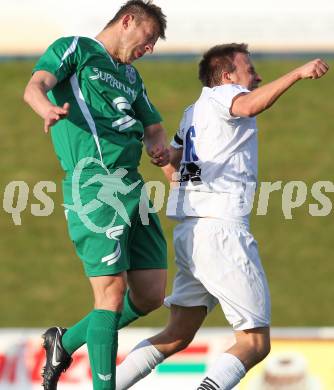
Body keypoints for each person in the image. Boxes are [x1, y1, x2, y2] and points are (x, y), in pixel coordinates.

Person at [115, 44, 329, 390]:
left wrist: (166, 157)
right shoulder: (225, 97)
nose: (256, 76)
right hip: (221, 229)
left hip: (192, 233)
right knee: (255, 343)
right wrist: (297, 73)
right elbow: (248, 104)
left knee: (177, 334)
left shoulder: (193, 113)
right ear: (227, 76)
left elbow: (177, 174)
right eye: (250, 69)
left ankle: (102, 386)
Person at [23, 1, 169, 389]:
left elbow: (153, 125)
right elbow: (35, 86)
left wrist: (158, 146)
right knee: (112, 293)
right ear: (127, 21)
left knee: (151, 293)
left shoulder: (132, 77)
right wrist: (46, 110)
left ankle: (64, 341)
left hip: (133, 185)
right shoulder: (77, 49)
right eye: (148, 38)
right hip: (94, 183)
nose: (149, 48)